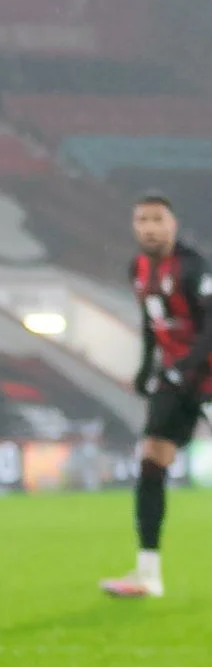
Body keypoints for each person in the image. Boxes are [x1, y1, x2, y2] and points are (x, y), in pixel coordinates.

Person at [103, 195, 211, 599]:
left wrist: (183, 367)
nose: (149, 227)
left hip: (205, 374)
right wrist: (146, 366)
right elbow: (151, 321)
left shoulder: (194, 266)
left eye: (157, 219)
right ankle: (148, 575)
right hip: (174, 378)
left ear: (173, 224)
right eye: (142, 219)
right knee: (151, 460)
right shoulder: (139, 268)